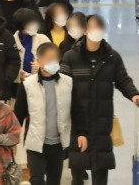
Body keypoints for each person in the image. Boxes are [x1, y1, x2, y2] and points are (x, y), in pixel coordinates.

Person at [61, 14, 139, 185]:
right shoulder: (71, 57)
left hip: (102, 120)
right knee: (77, 170)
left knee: (100, 169)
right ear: (85, 31)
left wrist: (133, 93)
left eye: (100, 28)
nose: (96, 31)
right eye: (93, 28)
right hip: (78, 121)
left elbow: (122, 79)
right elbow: (62, 85)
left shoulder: (112, 57)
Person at [14, 43, 88, 185]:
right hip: (35, 143)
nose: (52, 62)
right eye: (48, 59)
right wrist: (12, 139)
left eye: (55, 59)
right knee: (37, 180)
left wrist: (82, 133)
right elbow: (18, 114)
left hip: (58, 144)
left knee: (54, 181)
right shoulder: (28, 85)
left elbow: (77, 110)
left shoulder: (68, 83)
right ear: (39, 60)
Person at [12, 9, 50, 90]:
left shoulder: (43, 38)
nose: (33, 25)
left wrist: (43, 67)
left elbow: (54, 59)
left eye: (34, 22)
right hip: (18, 87)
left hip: (41, 84)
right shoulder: (11, 40)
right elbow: (7, 64)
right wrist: (19, 75)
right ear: (20, 25)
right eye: (29, 23)